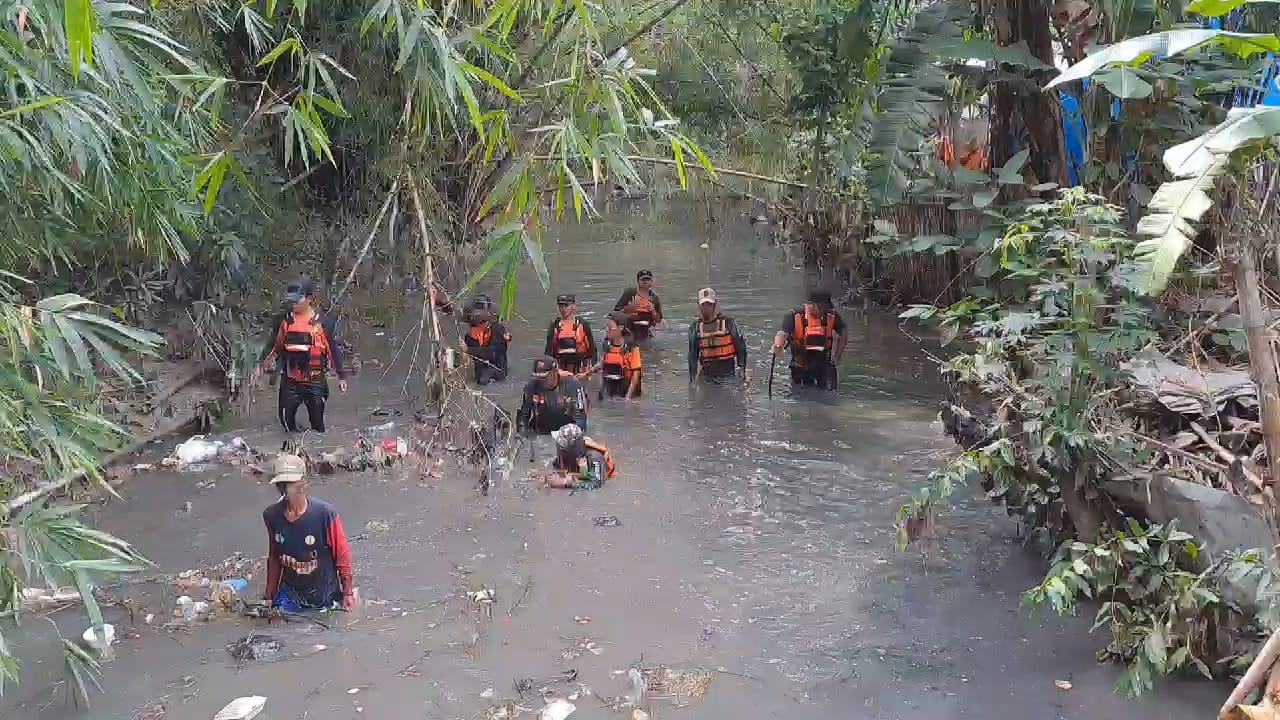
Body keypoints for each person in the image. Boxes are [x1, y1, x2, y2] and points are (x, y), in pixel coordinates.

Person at [263, 453, 356, 612]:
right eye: (282, 484)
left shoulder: (325, 514)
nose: (285, 489)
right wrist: (269, 597)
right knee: (274, 626)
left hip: (324, 594)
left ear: (303, 482)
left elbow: (342, 556)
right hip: (290, 593)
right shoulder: (272, 515)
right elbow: (274, 557)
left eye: (289, 483)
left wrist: (347, 593)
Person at [255, 279, 349, 432]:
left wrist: (341, 376)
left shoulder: (321, 323)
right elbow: (274, 346)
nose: (293, 304)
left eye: (297, 300)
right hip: (290, 381)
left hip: (314, 382)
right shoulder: (286, 322)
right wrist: (260, 366)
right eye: (291, 300)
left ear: (309, 299)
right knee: (287, 423)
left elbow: (333, 350)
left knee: (318, 427)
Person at [771, 289, 848, 389]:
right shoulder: (794, 315)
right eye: (822, 307)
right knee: (803, 395)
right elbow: (783, 333)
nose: (825, 310)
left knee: (830, 394)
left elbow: (844, 333)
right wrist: (778, 344)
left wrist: (838, 355)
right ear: (811, 304)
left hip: (823, 364)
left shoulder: (831, 316)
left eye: (827, 307)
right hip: (800, 365)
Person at [516, 356, 589, 436]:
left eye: (544, 378)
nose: (541, 381)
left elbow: (580, 419)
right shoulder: (531, 386)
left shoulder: (573, 385)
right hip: (540, 432)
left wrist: (571, 438)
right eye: (538, 377)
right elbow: (523, 416)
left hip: (565, 433)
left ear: (554, 372)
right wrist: (522, 435)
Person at [688, 287, 747, 382]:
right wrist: (692, 381)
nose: (706, 308)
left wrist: (742, 368)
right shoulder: (695, 328)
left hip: (728, 375)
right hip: (707, 376)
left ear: (715, 304)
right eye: (703, 305)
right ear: (699, 306)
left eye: (709, 304)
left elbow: (740, 346)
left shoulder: (729, 323)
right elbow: (692, 356)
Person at [583, 311, 642, 400]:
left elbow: (636, 374)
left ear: (621, 328)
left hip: (625, 390)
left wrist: (628, 397)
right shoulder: (607, 345)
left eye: (610, 327)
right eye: (607, 327)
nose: (607, 329)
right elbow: (603, 362)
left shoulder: (631, 347)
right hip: (609, 388)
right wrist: (586, 373)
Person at [544, 423, 617, 490]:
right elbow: (557, 467)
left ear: (569, 447)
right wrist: (551, 476)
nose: (558, 446)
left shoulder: (595, 457)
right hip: (581, 474)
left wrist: (564, 482)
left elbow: (595, 484)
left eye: (560, 444)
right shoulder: (567, 454)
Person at [460, 294, 510, 385]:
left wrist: (468, 350)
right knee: (481, 378)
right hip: (481, 368)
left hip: (497, 369)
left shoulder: (497, 329)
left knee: (483, 380)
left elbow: (492, 354)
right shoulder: (471, 334)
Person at [544, 293, 597, 374]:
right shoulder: (555, 325)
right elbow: (548, 351)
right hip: (561, 369)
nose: (563, 309)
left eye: (566, 306)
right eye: (561, 306)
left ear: (574, 306)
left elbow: (592, 349)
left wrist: (593, 369)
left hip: (579, 368)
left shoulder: (583, 324)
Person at [613, 270, 663, 341]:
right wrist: (629, 308)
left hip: (645, 329)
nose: (645, 281)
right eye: (642, 279)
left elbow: (658, 320)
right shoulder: (630, 293)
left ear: (651, 282)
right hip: (628, 328)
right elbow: (615, 313)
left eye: (647, 279)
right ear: (638, 281)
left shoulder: (654, 298)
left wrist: (653, 311)